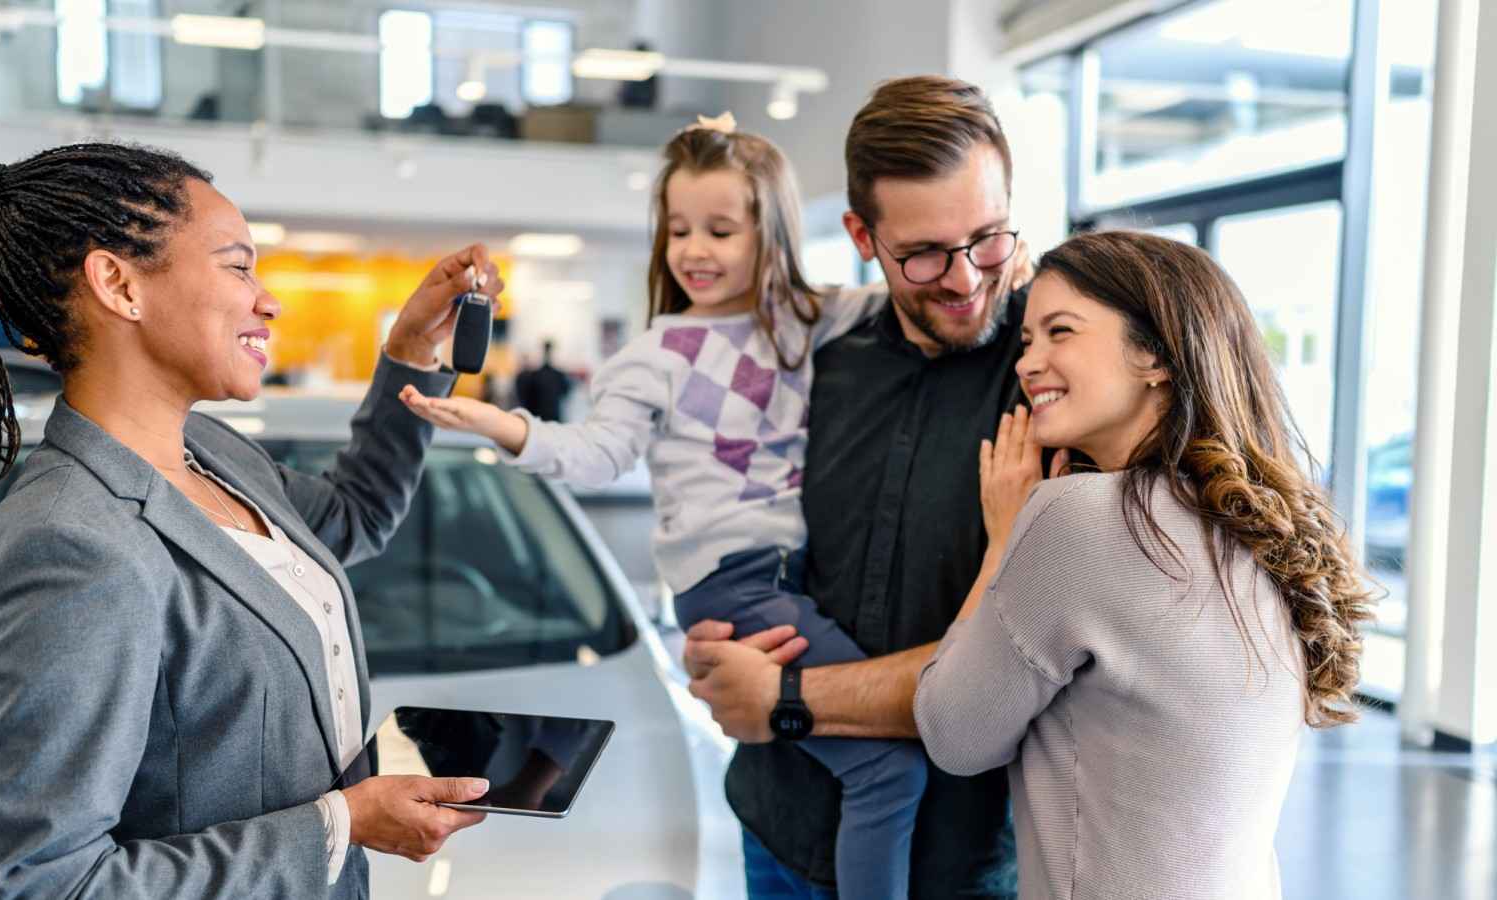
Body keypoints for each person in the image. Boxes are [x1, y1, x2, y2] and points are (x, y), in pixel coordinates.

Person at [0, 143, 500, 899]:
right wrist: (338, 823)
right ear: (118, 284)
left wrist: (410, 351)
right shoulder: (73, 542)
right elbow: (35, 883)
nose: (268, 300)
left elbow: (353, 516)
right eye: (238, 267)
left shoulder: (209, 450)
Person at [398, 114, 920, 899]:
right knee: (887, 765)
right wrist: (496, 424)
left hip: (794, 574)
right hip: (734, 585)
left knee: (864, 764)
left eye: (720, 228)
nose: (695, 250)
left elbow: (901, 297)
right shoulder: (655, 357)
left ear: (770, 232)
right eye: (679, 230)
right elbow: (595, 454)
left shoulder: (804, 323)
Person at [915, 231, 1374, 899]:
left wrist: (1001, 543)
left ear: (1155, 353)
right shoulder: (1267, 522)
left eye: (1059, 332)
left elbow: (953, 733)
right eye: (1026, 341)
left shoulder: (1074, 518)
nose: (1027, 363)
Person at [680, 76, 1036, 898]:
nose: (964, 280)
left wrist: (787, 697)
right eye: (922, 254)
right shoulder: (813, 365)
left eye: (987, 238)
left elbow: (1004, 673)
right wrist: (720, 649)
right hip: (779, 827)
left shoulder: (1044, 379)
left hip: (955, 863)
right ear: (861, 235)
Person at [514, 339, 572, 421]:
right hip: (551, 416)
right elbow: (565, 392)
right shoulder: (556, 375)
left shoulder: (536, 375)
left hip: (541, 417)